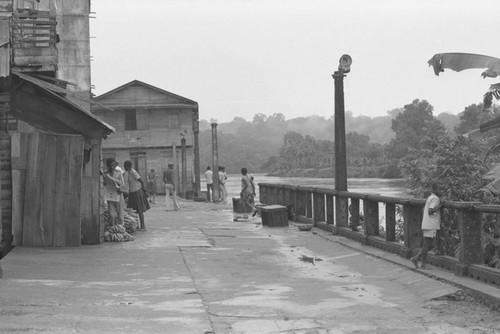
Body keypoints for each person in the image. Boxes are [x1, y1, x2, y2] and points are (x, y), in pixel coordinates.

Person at [410, 183, 443, 269]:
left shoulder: (430, 197)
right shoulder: (435, 199)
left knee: (431, 244)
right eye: (440, 189)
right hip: (431, 224)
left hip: (428, 223)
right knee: (427, 245)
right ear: (434, 190)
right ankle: (423, 264)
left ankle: (416, 258)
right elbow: (430, 211)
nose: (441, 191)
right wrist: (440, 206)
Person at [123, 160, 150, 230]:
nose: (124, 168)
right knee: (133, 210)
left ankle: (143, 226)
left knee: (140, 210)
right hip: (132, 193)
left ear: (128, 166)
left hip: (137, 192)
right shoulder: (128, 173)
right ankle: (136, 225)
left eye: (125, 166)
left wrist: (144, 190)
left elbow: (141, 181)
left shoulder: (133, 172)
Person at [103, 158, 124, 226]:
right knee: (111, 214)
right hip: (110, 194)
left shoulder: (118, 173)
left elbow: (121, 183)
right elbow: (104, 184)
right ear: (108, 166)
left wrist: (111, 178)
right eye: (110, 166)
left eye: (113, 165)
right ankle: (113, 226)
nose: (112, 167)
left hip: (118, 193)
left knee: (120, 212)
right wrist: (106, 179)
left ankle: (121, 227)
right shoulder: (105, 173)